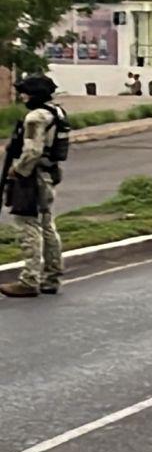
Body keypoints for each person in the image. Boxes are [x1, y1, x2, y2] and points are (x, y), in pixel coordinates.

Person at [1, 76, 68, 297]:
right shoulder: (57, 113)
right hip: (49, 173)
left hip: (33, 177)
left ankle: (29, 279)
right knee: (48, 224)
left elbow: (32, 151)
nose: (22, 97)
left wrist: (17, 170)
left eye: (25, 93)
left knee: (27, 224)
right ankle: (52, 276)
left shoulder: (36, 117)